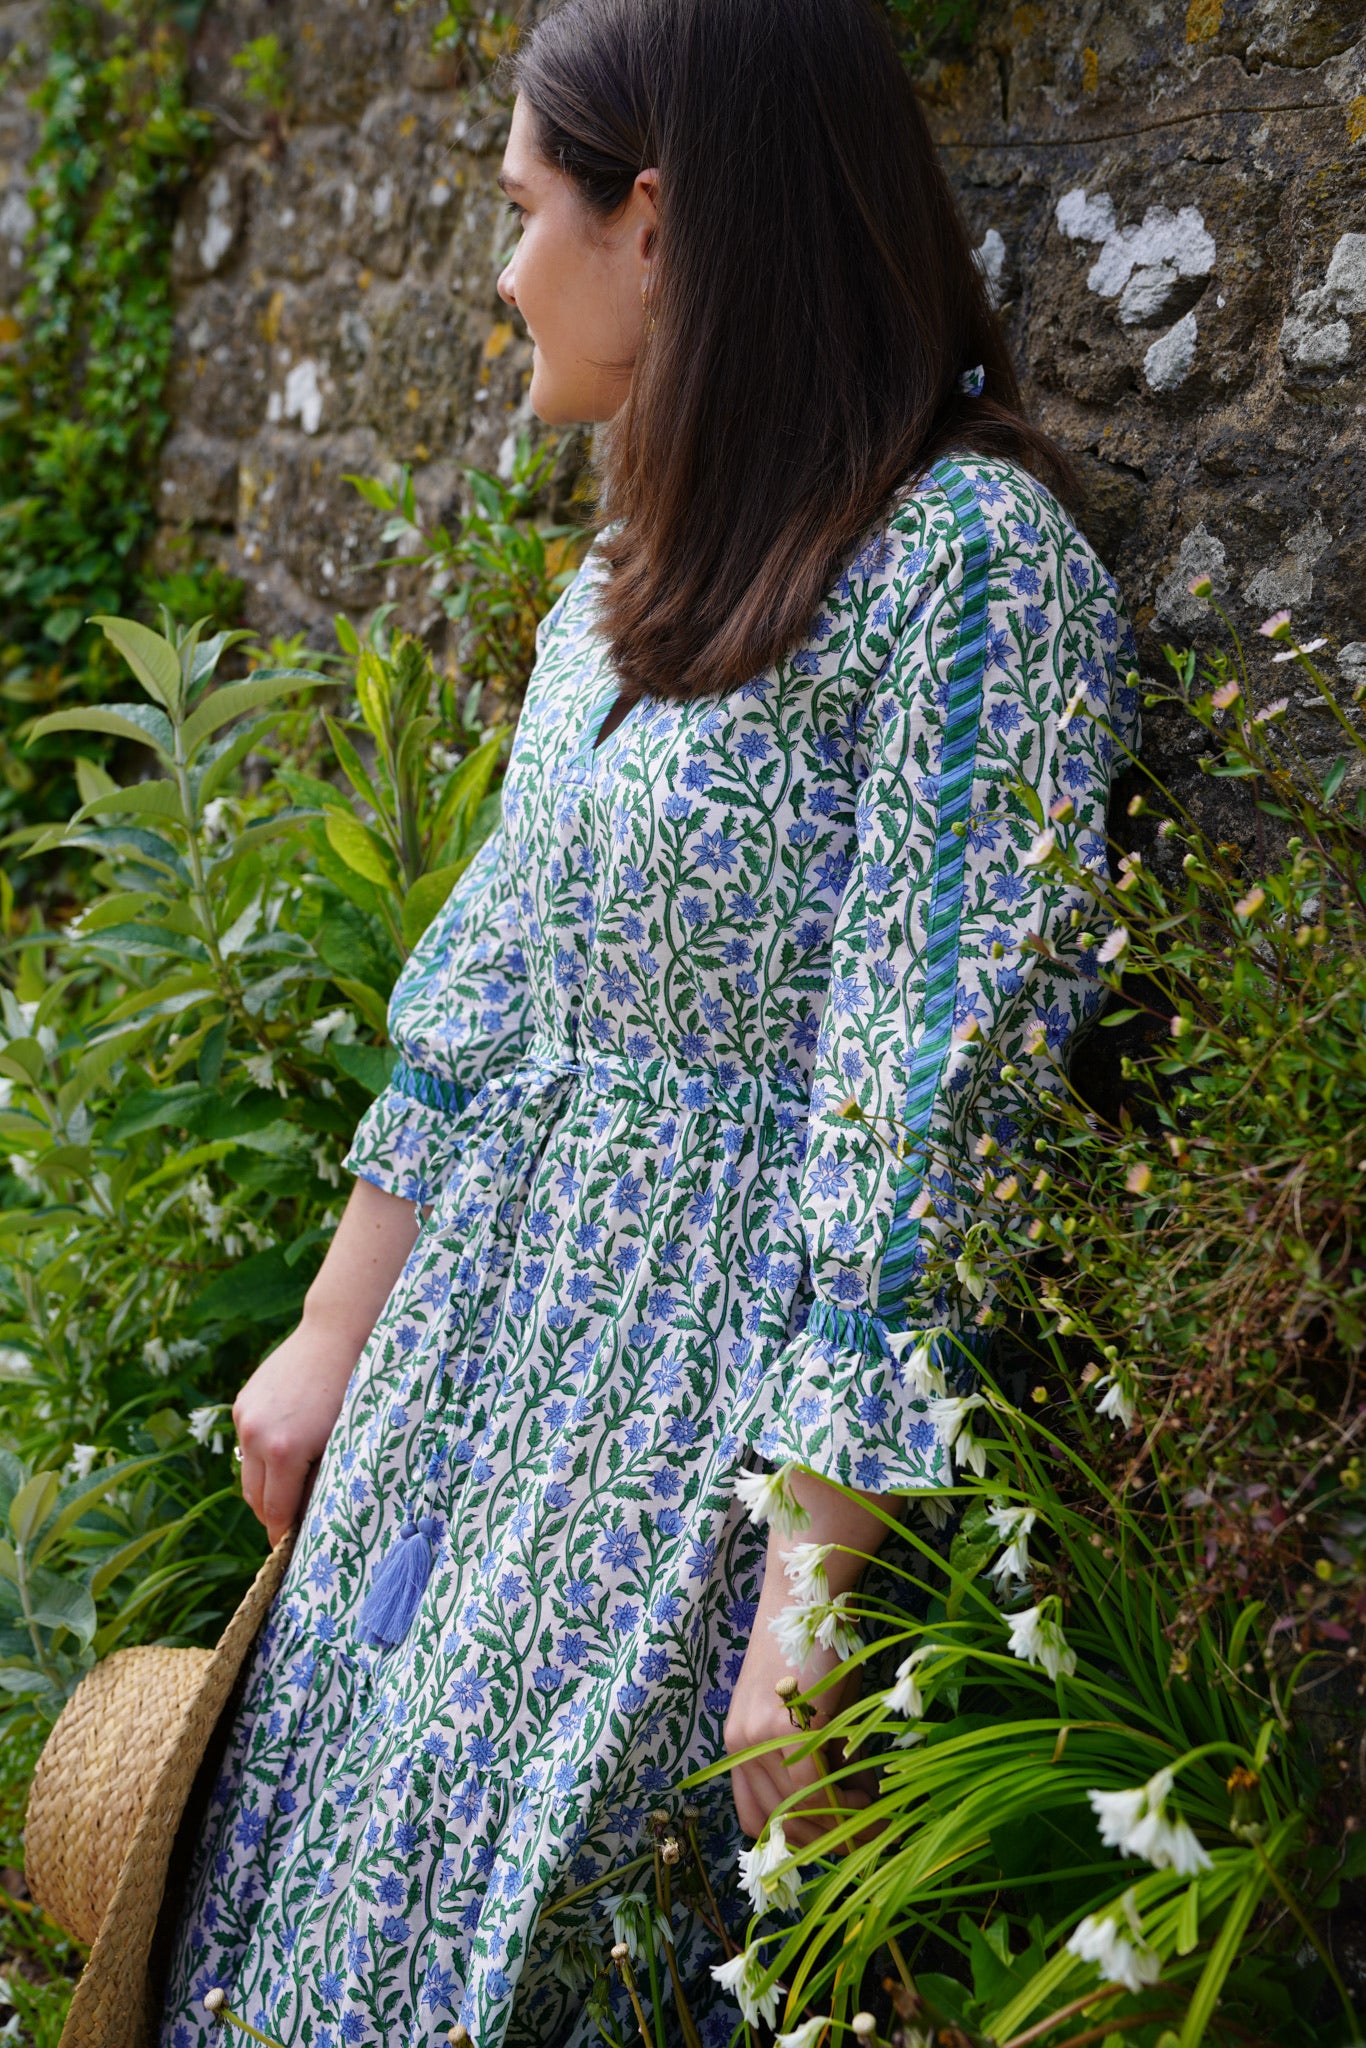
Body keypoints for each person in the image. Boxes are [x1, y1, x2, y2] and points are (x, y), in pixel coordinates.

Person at [160, 0, 1137, 2042]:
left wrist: (809, 1589)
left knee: (530, 1952)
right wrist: (329, 1335)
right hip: (462, 1391)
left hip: (687, 1444)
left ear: (660, 223)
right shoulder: (624, 578)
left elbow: (930, 1113)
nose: (503, 268)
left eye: (527, 209)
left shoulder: (967, 572)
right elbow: (483, 994)